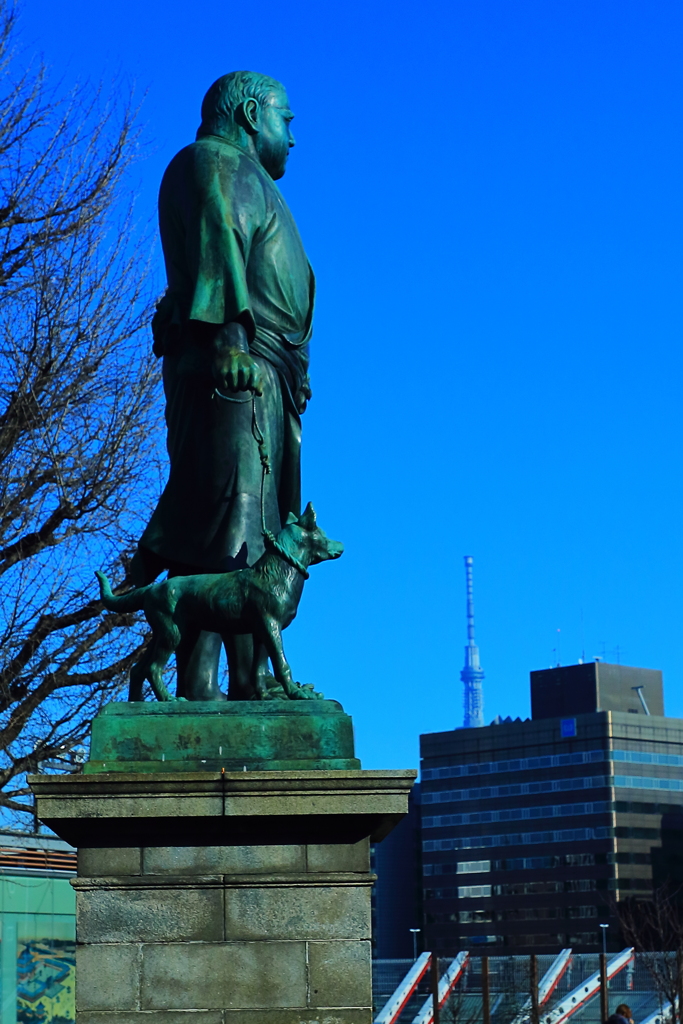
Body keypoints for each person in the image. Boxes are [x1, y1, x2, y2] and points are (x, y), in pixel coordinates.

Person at [132, 71, 315, 700]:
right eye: (286, 119)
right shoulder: (214, 164)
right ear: (250, 114)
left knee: (254, 532)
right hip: (234, 372)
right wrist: (231, 343)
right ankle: (200, 685)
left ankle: (249, 677)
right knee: (226, 531)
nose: (293, 136)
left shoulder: (247, 176)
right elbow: (220, 242)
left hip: (266, 380)